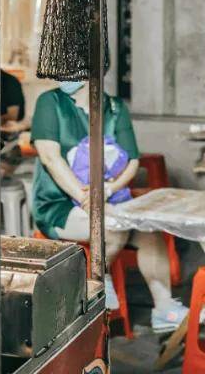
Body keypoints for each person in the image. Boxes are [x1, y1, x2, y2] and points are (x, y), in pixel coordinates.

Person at [30, 80, 188, 332]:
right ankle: (97, 284)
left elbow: (132, 161)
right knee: (112, 229)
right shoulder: (51, 102)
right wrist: (87, 198)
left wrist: (109, 189)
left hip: (110, 198)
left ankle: (164, 308)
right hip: (59, 203)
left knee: (149, 233)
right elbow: (49, 156)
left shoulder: (114, 108)